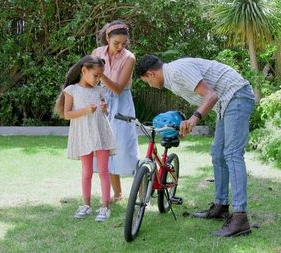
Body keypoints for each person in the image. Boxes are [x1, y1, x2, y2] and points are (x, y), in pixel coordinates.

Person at [135, 55, 255, 237]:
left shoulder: (176, 71)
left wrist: (195, 118)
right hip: (226, 102)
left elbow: (211, 95)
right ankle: (221, 206)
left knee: (232, 154)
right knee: (218, 154)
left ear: (150, 74)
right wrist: (188, 122)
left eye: (147, 81)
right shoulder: (171, 79)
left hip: (236, 95)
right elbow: (209, 97)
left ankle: (240, 218)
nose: (150, 85)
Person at [54, 55, 115, 222]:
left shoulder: (100, 90)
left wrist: (104, 108)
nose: (97, 80)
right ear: (84, 71)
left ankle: (105, 206)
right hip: (82, 134)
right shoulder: (72, 90)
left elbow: (105, 112)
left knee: (103, 170)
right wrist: (85, 111)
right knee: (87, 171)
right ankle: (86, 205)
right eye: (95, 75)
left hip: (100, 133)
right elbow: (67, 114)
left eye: (100, 76)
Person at [92, 20, 139, 204]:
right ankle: (118, 194)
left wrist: (100, 73)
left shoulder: (130, 58)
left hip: (122, 102)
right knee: (106, 147)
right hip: (102, 99)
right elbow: (90, 79)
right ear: (107, 38)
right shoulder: (97, 53)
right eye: (116, 43)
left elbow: (118, 88)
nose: (120, 47)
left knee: (126, 146)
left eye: (123, 44)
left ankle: (142, 194)